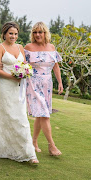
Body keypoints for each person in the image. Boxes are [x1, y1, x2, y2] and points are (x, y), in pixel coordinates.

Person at [0, 21, 39, 164]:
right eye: (10, 33)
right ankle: (5, 147)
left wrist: (24, 74)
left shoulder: (20, 47)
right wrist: (12, 77)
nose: (13, 36)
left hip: (18, 88)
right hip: (5, 86)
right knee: (6, 116)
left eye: (15, 34)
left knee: (21, 118)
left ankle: (29, 153)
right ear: (4, 34)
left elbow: (24, 65)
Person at [24, 22, 63, 156]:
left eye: (40, 32)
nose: (38, 35)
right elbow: (21, 64)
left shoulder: (51, 47)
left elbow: (55, 66)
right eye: (35, 32)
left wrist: (60, 82)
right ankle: (52, 146)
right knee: (44, 114)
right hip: (33, 83)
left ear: (45, 33)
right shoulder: (28, 47)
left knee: (41, 114)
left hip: (47, 84)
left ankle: (34, 142)